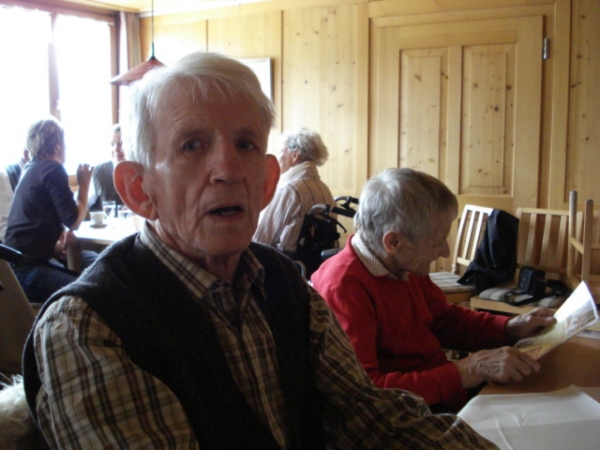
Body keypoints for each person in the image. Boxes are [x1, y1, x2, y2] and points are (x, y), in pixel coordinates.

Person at [23, 52, 497, 449]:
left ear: (269, 181)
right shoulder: (89, 325)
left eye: (246, 143)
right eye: (192, 145)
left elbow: (371, 416)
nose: (228, 169)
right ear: (139, 189)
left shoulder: (286, 284)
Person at [312, 168, 556, 413]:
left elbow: (445, 321)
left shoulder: (401, 264)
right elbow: (365, 393)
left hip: (440, 396)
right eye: (437, 241)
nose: (445, 252)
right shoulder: (344, 286)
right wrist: (469, 370)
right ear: (394, 242)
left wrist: (509, 328)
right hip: (404, 414)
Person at [3, 117, 94, 304]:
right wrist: (84, 185)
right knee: (90, 291)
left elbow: (37, 219)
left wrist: (55, 241)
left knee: (94, 261)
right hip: (27, 271)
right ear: (58, 145)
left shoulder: (31, 168)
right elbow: (74, 220)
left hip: (14, 269)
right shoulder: (53, 169)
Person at [253, 127, 334, 255]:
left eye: (280, 152)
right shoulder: (325, 191)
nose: (278, 157)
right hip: (315, 264)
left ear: (295, 155)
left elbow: (259, 240)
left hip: (281, 264)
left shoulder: (288, 191)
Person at [89, 123, 125, 212]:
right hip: (108, 221)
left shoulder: (142, 171)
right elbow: (85, 203)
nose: (116, 148)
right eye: (112, 144)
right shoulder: (98, 172)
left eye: (120, 144)